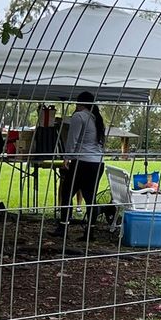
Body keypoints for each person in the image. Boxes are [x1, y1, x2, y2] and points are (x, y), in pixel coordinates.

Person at [55, 92, 105, 232]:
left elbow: (73, 138)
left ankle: (63, 226)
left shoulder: (79, 116)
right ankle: (91, 229)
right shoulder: (96, 118)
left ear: (79, 103)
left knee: (66, 192)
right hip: (97, 162)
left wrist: (67, 157)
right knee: (90, 196)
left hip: (82, 161)